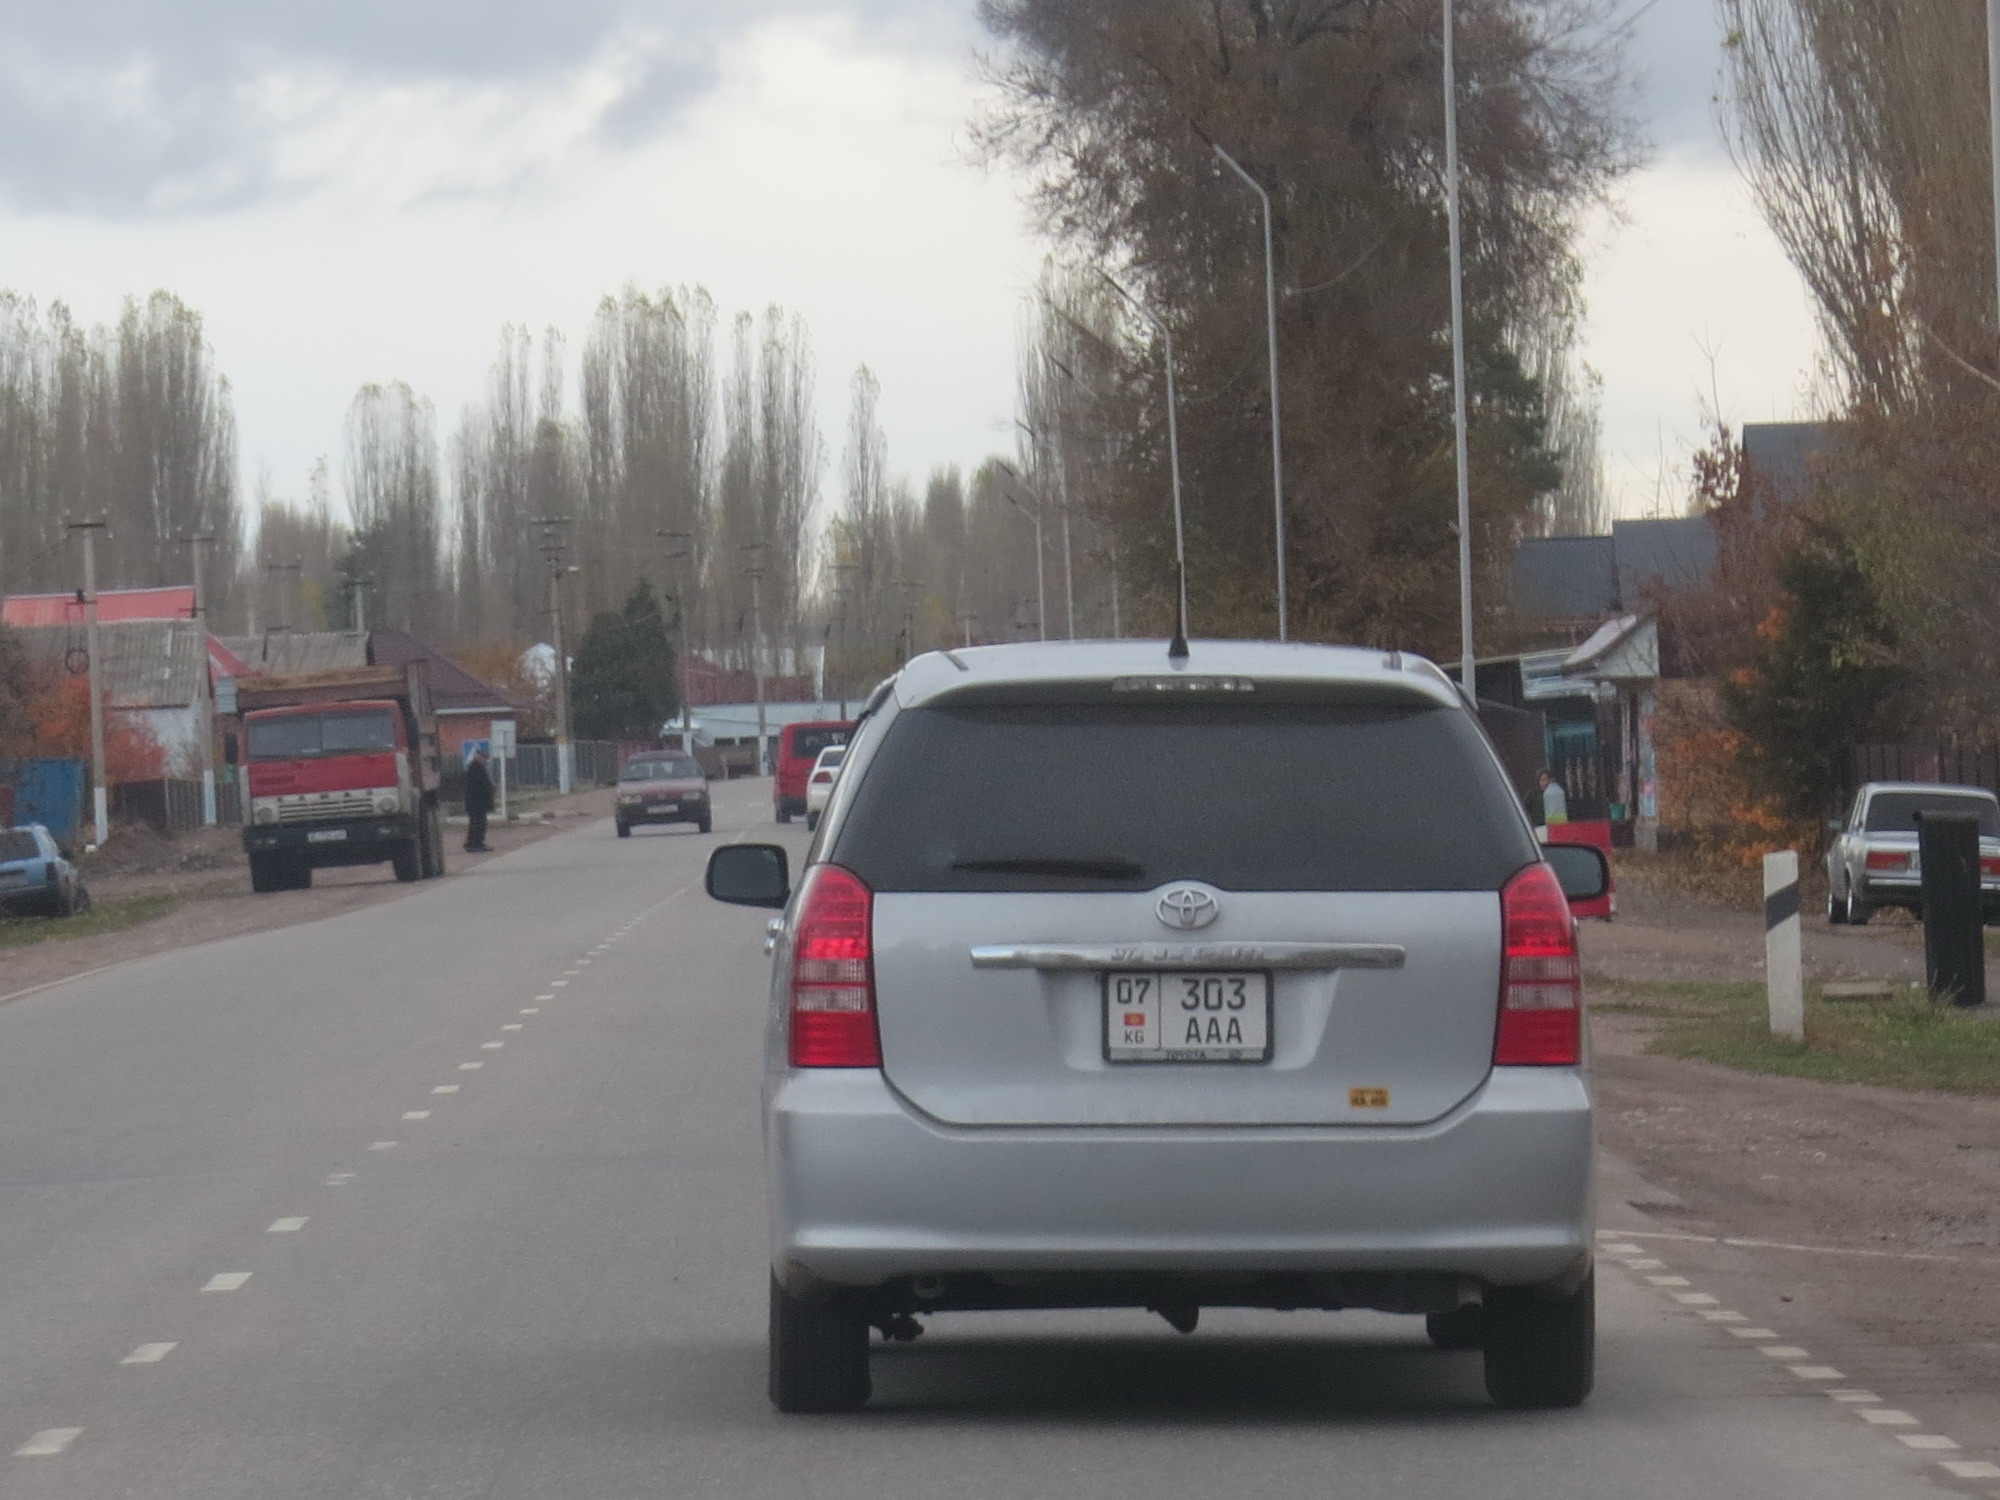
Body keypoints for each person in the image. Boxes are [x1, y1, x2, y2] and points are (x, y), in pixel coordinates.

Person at [464, 747, 495, 853]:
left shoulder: (477, 767)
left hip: (478, 803)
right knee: (478, 824)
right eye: (483, 758)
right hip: (477, 803)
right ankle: (475, 844)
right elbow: (479, 786)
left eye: (485, 758)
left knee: (477, 823)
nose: (484, 760)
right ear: (478, 757)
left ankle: (474, 843)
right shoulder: (475, 768)